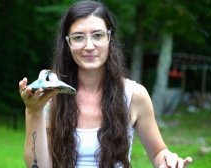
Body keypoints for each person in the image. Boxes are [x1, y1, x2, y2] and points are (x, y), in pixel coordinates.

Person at [19, 1, 192, 167]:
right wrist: (34, 112)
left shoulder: (134, 95)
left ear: (109, 38)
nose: (89, 46)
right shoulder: (50, 96)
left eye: (98, 35)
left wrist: (167, 160)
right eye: (78, 37)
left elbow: (158, 153)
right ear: (68, 43)